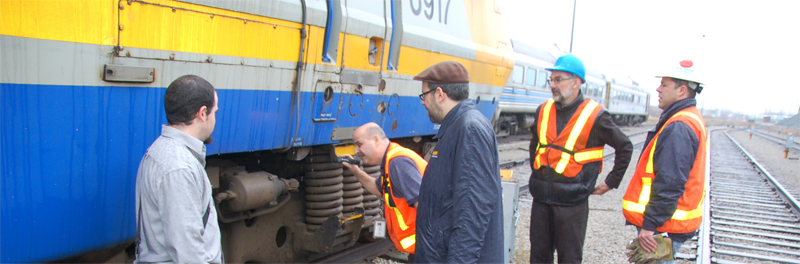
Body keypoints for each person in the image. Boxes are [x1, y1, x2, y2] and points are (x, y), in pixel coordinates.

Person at [528, 54, 633, 263]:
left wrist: (611, 182)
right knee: (538, 258)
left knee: (570, 259)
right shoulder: (544, 110)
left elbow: (625, 147)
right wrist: (537, 173)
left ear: (576, 82)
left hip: (572, 204)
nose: (553, 85)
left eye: (559, 80)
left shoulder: (595, 115)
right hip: (541, 202)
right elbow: (535, 145)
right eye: (552, 80)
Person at [413, 61, 504, 263]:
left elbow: (472, 213)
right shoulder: (458, 127)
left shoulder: (469, 130)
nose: (422, 102)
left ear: (439, 93)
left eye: (423, 96)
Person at [622, 60, 707, 264]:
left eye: (664, 85)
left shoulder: (679, 125)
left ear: (682, 91)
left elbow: (670, 181)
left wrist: (650, 226)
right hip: (667, 222)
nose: (658, 89)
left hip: (663, 226)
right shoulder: (688, 118)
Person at [134, 75, 222, 264]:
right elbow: (189, 252)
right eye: (214, 112)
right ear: (203, 113)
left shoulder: (160, 150)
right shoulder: (178, 167)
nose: (215, 119)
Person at [338, 122, 424, 260]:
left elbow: (424, 205)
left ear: (376, 140)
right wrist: (355, 170)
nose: (356, 151)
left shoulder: (398, 162)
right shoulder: (391, 159)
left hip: (426, 246)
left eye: (359, 145)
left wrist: (431, 248)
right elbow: (378, 189)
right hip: (421, 245)